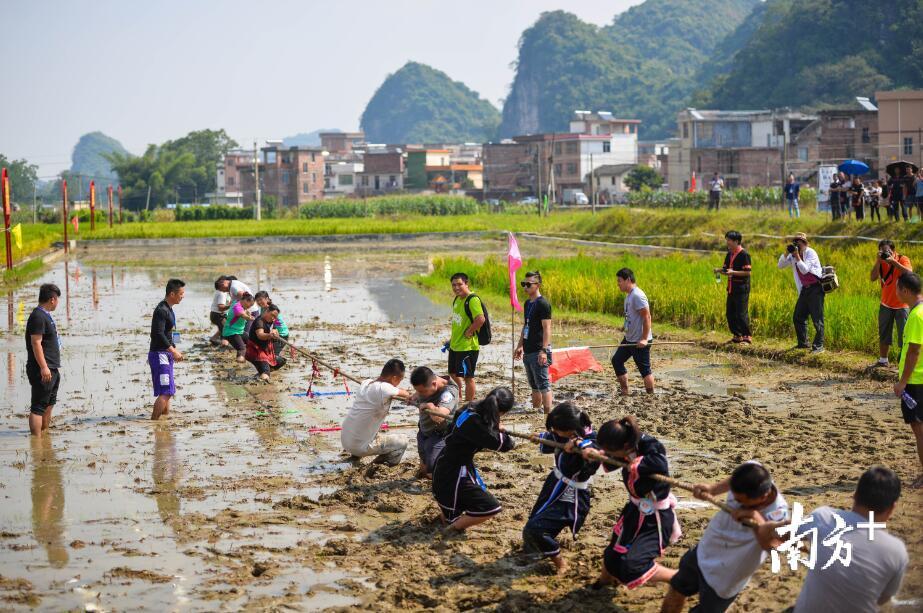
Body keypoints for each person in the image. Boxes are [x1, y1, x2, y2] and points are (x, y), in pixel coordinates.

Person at [661, 462, 789, 613]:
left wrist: (756, 519)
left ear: (763, 497)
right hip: (705, 549)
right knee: (677, 588)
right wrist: (713, 489)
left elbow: (771, 547)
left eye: (741, 501)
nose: (736, 502)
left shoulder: (779, 515)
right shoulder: (752, 470)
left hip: (728, 573)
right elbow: (732, 479)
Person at [784, 467, 907, 612]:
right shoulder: (897, 551)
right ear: (892, 508)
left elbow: (785, 532)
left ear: (854, 495)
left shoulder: (823, 518)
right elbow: (882, 598)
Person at [589, 415, 680, 591]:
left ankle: (679, 578)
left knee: (631, 566)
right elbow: (610, 459)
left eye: (610, 452)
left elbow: (660, 463)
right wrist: (591, 452)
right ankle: (605, 582)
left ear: (624, 446)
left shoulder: (650, 446)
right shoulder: (624, 445)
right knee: (612, 555)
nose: (608, 455)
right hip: (634, 510)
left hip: (655, 518)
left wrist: (639, 464)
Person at [522, 402, 600, 574]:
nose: (554, 433)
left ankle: (560, 563)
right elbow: (553, 438)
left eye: (556, 430)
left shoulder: (590, 440)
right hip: (554, 484)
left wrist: (580, 446)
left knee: (536, 529)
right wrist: (540, 437)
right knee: (533, 520)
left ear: (572, 431)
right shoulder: (564, 434)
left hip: (571, 495)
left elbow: (595, 449)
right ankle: (535, 554)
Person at [432, 387, 515, 532]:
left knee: (452, 511)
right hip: (453, 474)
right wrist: (500, 429)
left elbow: (450, 431)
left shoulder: (470, 408)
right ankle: (452, 529)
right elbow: (506, 444)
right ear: (501, 412)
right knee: (491, 507)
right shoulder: (478, 425)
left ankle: (449, 519)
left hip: (445, 463)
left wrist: (495, 426)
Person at [340, 359, 412, 466]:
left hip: (345, 441)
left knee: (367, 423)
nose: (398, 384)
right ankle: (381, 465)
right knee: (403, 441)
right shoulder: (385, 388)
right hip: (358, 447)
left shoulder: (366, 382)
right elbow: (406, 394)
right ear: (394, 378)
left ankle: (356, 455)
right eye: (400, 380)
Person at [893, 272, 923, 488]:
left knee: (919, 428)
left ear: (905, 290)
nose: (896, 292)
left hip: (916, 380)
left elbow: (914, 351)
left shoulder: (915, 316)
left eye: (897, 288)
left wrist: (902, 382)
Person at [777, 233, 824, 353]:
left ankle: (819, 346)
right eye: (796, 242)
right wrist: (787, 253)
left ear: (805, 243)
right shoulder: (793, 255)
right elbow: (780, 265)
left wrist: (797, 256)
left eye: (800, 242)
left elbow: (805, 270)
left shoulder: (810, 252)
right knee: (798, 316)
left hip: (815, 288)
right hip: (805, 289)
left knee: (817, 318)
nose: (798, 244)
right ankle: (803, 343)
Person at [409, 366, 459, 479]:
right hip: (424, 429)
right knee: (424, 466)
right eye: (417, 390)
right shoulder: (427, 380)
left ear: (434, 384)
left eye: (422, 391)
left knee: (433, 468)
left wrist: (429, 406)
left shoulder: (449, 392)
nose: (420, 393)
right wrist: (414, 396)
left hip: (439, 433)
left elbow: (440, 417)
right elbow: (420, 392)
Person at [514, 271, 553, 413]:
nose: (525, 287)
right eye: (523, 284)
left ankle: (548, 414)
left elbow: (547, 327)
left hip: (539, 350)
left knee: (543, 384)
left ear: (537, 285)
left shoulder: (543, 304)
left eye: (528, 284)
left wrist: (544, 350)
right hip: (528, 350)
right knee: (534, 385)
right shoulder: (527, 303)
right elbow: (526, 325)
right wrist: (520, 346)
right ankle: (536, 411)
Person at [25, 284, 62, 437]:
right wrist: (44, 367)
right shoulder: (38, 317)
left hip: (52, 368)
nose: (58, 302)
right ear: (52, 299)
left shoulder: (44, 315)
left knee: (49, 403)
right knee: (38, 407)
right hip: (43, 369)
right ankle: (36, 443)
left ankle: (44, 437)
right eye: (57, 299)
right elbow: (36, 342)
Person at [611, 268, 655, 394]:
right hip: (629, 338)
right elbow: (630, 316)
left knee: (644, 370)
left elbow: (647, 317)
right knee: (617, 360)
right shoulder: (629, 296)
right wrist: (625, 326)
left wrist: (645, 339)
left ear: (628, 280)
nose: (618, 284)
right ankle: (625, 391)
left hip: (639, 341)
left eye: (619, 281)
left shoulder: (637, 295)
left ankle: (650, 395)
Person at [870, 240, 912, 368]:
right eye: (883, 251)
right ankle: (883, 360)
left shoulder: (902, 258)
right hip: (886, 304)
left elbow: (909, 273)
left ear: (893, 251)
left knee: (904, 335)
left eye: (887, 251)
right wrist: (878, 261)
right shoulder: (881, 262)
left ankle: (903, 362)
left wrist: (893, 262)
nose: (885, 253)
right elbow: (872, 277)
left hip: (902, 305)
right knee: (884, 332)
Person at [446, 273, 485, 402]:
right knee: (452, 373)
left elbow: (480, 319)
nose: (456, 287)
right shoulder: (457, 299)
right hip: (455, 345)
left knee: (468, 377)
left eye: (459, 284)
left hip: (467, 347)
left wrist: (469, 331)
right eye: (453, 285)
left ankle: (469, 404)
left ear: (466, 284)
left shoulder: (472, 299)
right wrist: (451, 340)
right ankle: (459, 396)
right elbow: (458, 323)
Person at [149, 279, 185, 420]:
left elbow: (173, 331)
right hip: (159, 354)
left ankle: (164, 421)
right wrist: (173, 351)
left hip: (166, 354)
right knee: (166, 391)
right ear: (172, 294)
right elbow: (157, 333)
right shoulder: (161, 310)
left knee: (168, 391)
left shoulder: (170, 310)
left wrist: (176, 349)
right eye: (181, 293)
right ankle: (154, 423)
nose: (183, 296)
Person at [715, 231, 752, 344]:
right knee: (730, 313)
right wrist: (719, 271)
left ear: (736, 241)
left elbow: (747, 273)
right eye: (727, 240)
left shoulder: (744, 254)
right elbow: (727, 270)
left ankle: (747, 336)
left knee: (741, 313)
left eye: (729, 241)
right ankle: (737, 335)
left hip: (741, 288)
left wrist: (733, 272)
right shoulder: (729, 254)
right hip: (731, 288)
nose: (727, 243)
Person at [245, 304, 280, 381]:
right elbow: (260, 335)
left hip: (264, 351)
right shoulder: (259, 321)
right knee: (266, 372)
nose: (273, 318)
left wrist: (275, 333)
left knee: (280, 362)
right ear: (267, 311)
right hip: (255, 352)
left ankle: (260, 373)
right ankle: (262, 384)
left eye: (275, 317)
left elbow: (276, 332)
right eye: (272, 315)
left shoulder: (271, 321)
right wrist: (270, 335)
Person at [254, 291, 289, 367]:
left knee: (272, 355)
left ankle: (281, 362)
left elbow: (274, 321)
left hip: (280, 335)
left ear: (267, 299)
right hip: (272, 335)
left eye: (261, 299)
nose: (259, 302)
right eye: (257, 301)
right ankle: (270, 368)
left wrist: (274, 330)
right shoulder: (263, 309)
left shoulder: (272, 308)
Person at [222, 293, 255, 363]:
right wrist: (249, 318)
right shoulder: (237, 307)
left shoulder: (237, 302)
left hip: (239, 331)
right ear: (246, 301)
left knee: (251, 340)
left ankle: (245, 358)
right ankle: (239, 363)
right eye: (250, 304)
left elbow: (243, 311)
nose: (250, 307)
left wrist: (247, 312)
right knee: (242, 348)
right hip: (231, 332)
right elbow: (242, 314)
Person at [209, 279, 230, 346]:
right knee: (226, 331)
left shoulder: (219, 292)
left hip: (214, 314)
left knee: (223, 329)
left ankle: (213, 339)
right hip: (219, 315)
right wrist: (230, 305)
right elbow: (220, 307)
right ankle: (224, 345)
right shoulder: (222, 293)